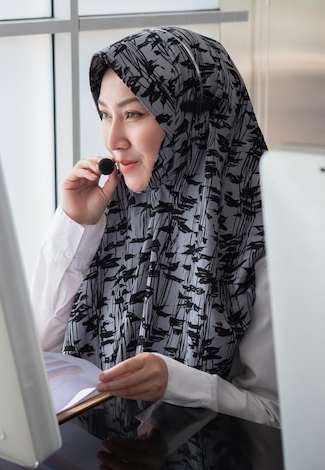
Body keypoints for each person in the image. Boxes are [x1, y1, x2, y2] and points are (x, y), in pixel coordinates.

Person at [31, 26, 279, 428]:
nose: (113, 139)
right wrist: (75, 225)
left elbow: (278, 418)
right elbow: (39, 356)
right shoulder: (107, 214)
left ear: (192, 120)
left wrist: (178, 383)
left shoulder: (261, 241)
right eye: (105, 115)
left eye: (133, 114)